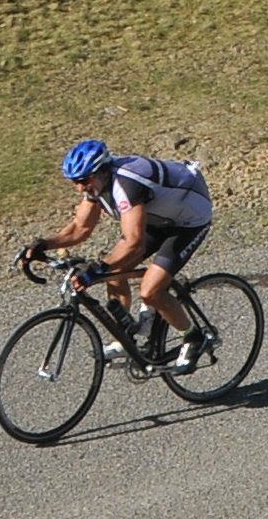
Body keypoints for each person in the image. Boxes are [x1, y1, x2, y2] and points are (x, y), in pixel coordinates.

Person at [34, 140, 215, 370]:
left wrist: (99, 267)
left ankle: (193, 337)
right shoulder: (96, 185)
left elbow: (135, 244)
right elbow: (80, 229)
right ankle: (125, 338)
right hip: (158, 218)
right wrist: (42, 245)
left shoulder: (127, 184)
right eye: (74, 182)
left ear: (100, 171)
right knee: (114, 272)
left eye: (83, 181)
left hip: (189, 220)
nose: (80, 188)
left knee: (150, 290)